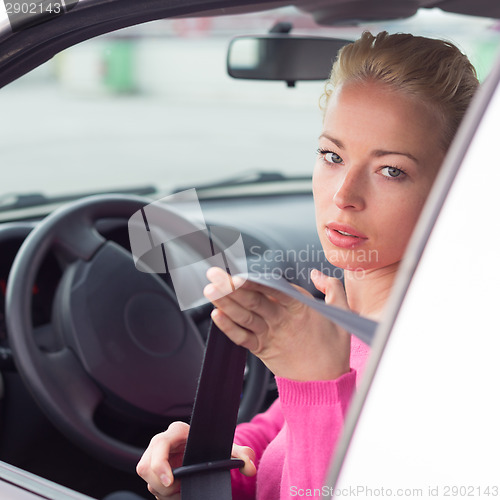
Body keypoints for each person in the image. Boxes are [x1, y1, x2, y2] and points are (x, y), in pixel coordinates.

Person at [136, 31, 479, 499]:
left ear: (452, 188)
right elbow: (283, 430)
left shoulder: (444, 361)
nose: (344, 195)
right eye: (332, 156)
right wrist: (215, 456)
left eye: (391, 170)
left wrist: (317, 378)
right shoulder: (344, 315)